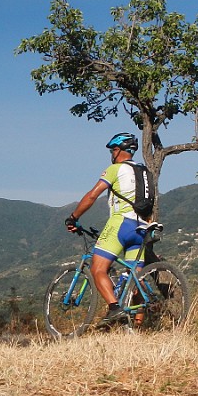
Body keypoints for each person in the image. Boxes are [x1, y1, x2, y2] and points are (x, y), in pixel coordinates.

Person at [64, 132, 150, 326]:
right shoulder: (145, 172)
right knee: (135, 278)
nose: (112, 154)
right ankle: (137, 325)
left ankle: (114, 309)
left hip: (121, 224)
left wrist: (73, 217)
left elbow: (92, 196)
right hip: (142, 227)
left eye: (113, 150)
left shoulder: (115, 169)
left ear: (119, 151)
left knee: (97, 268)